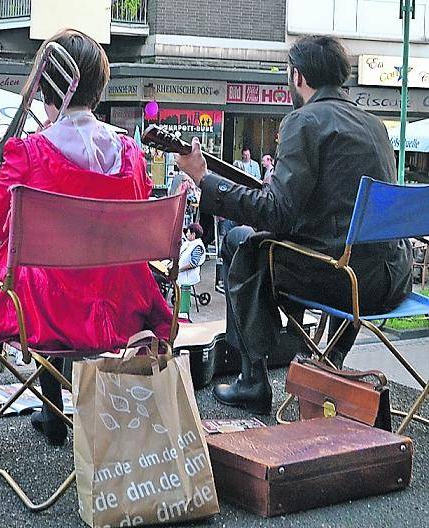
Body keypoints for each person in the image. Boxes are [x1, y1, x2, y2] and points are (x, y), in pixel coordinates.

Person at [0, 29, 172, 453]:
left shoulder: (28, 152)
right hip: (119, 308)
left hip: (45, 313)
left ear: (46, 89)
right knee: (57, 282)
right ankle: (53, 415)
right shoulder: (131, 153)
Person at [176, 35, 412, 415]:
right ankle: (328, 358)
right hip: (389, 279)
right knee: (324, 248)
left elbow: (277, 215)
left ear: (297, 76)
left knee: (242, 243)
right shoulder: (375, 126)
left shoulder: (303, 121)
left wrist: (205, 179)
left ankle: (254, 379)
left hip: (342, 282)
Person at [178, 223, 206, 287]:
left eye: (188, 232)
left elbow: (193, 264)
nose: (186, 234)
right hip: (181, 272)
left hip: (188, 276)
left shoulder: (197, 246)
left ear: (193, 234)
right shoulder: (188, 242)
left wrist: (179, 270)